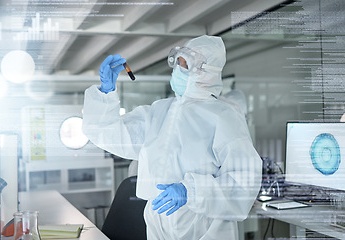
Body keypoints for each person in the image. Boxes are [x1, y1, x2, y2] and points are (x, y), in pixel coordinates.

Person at [82, 35, 262, 239]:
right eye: (177, 63)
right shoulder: (159, 112)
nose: (177, 69)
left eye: (184, 65)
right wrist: (106, 92)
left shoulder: (223, 116)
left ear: (206, 72)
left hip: (204, 228)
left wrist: (192, 191)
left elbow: (244, 183)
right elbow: (109, 133)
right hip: (157, 222)